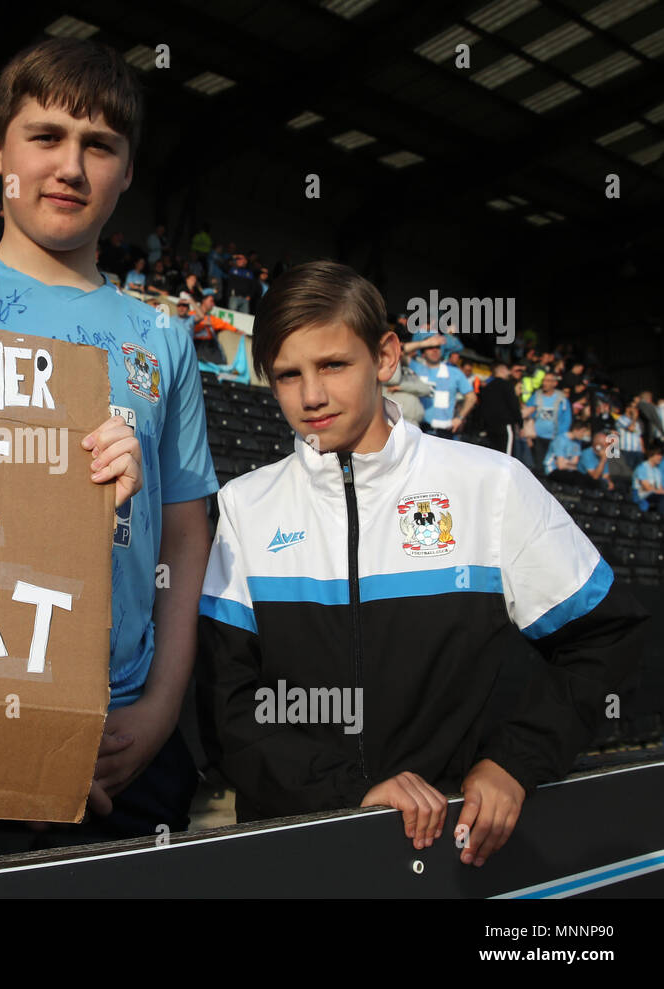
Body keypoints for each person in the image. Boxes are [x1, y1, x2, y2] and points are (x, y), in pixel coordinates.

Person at [197, 260, 646, 866]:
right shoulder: (243, 506)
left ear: (385, 357)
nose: (311, 396)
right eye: (287, 375)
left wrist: (516, 760)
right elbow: (228, 707)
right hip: (295, 855)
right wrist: (347, 793)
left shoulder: (491, 484)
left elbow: (606, 634)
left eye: (333, 365)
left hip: (452, 857)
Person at [0, 37, 213, 842]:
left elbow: (183, 527)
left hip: (123, 738)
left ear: (128, 169)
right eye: (45, 137)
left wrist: (162, 707)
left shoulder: (163, 338)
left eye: (99, 145)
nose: (70, 166)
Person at [409, 337, 476, 438]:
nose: (435, 350)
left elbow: (472, 397)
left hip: (444, 432)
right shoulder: (415, 367)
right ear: (423, 353)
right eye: (430, 347)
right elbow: (400, 351)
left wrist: (459, 418)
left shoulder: (455, 372)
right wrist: (423, 343)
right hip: (418, 427)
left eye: (438, 347)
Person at [476, 361, 523, 456]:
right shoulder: (507, 385)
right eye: (506, 369)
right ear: (501, 370)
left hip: (490, 426)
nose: (509, 372)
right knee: (507, 455)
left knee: (494, 454)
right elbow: (513, 405)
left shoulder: (487, 387)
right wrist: (520, 422)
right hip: (505, 425)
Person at [527, 373, 572, 468]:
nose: (544, 383)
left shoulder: (562, 399)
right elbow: (528, 413)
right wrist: (528, 435)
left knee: (549, 465)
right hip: (537, 437)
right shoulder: (536, 395)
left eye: (548, 381)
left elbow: (567, 420)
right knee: (537, 465)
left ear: (555, 383)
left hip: (554, 438)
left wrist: (559, 436)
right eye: (544, 380)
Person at [632, 447, 664, 513]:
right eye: (658, 455)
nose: (660, 457)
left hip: (655, 494)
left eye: (661, 455)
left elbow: (660, 488)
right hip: (642, 495)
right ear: (650, 455)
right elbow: (647, 488)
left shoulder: (657, 471)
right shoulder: (642, 468)